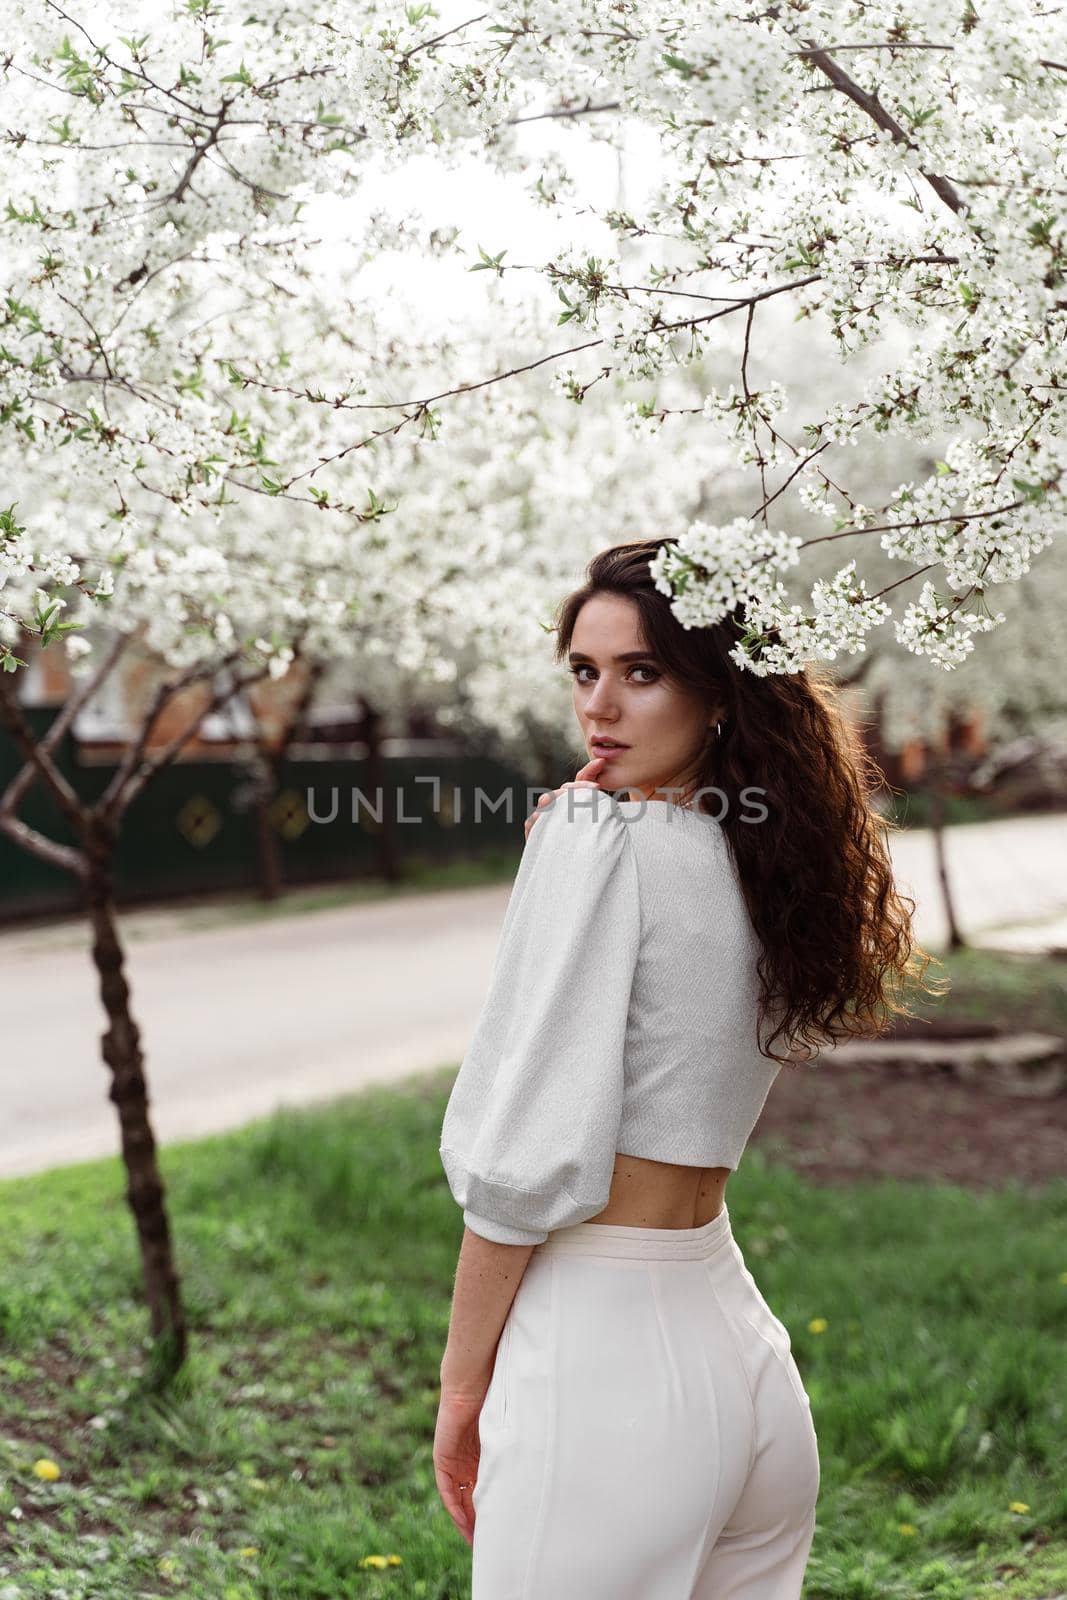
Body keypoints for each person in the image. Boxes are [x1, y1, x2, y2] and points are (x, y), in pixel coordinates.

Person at [433, 537, 939, 1599]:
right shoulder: (767, 863)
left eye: (640, 671)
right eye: (583, 670)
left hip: (602, 1364)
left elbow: (520, 1161)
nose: (599, 707)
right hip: (741, 1367)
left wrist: (459, 1389)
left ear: (714, 693)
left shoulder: (593, 842)